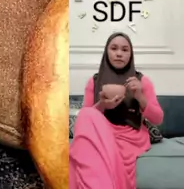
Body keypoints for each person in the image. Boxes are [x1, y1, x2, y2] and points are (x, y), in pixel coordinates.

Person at [70, 32, 164, 189]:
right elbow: (84, 121)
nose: (119, 53)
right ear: (107, 52)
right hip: (102, 132)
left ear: (130, 54)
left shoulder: (141, 81)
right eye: (114, 48)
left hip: (130, 136)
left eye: (125, 50)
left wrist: (140, 96)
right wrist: (102, 105)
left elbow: (158, 118)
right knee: (86, 114)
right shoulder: (94, 81)